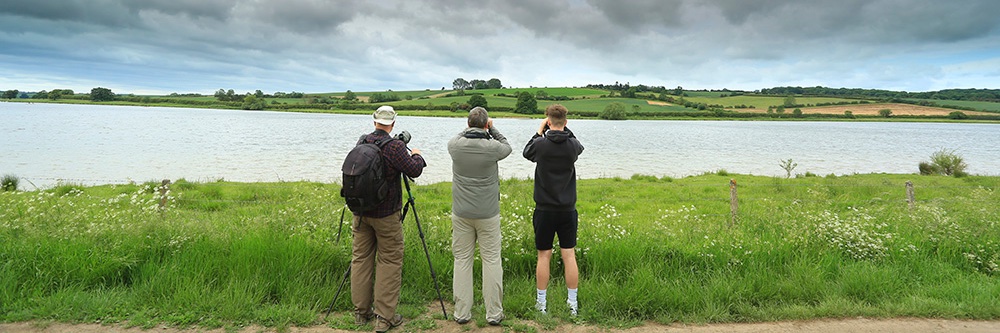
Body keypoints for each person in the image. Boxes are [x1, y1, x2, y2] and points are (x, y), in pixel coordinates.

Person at [350, 105, 426, 333]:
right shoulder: (395, 147)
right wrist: (417, 155)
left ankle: (360, 313)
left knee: (360, 259)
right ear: (393, 124)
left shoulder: (362, 141)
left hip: (361, 213)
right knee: (389, 262)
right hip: (386, 215)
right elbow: (414, 170)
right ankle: (384, 318)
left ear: (374, 121)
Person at [447, 107, 512, 325]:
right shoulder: (493, 148)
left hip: (461, 213)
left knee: (462, 260)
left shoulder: (455, 146)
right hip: (488, 213)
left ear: (467, 124)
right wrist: (492, 129)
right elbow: (507, 146)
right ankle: (494, 314)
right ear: (486, 125)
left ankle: (461, 313)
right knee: (491, 260)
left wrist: (473, 127)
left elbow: (460, 135)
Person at [522, 104, 584, 316]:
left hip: (544, 209)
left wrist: (540, 130)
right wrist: (565, 128)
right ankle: (572, 303)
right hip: (567, 209)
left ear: (548, 121)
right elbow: (578, 145)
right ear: (566, 122)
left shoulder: (540, 144)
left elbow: (527, 152)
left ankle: (541, 303)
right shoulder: (572, 145)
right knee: (569, 255)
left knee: (543, 255)